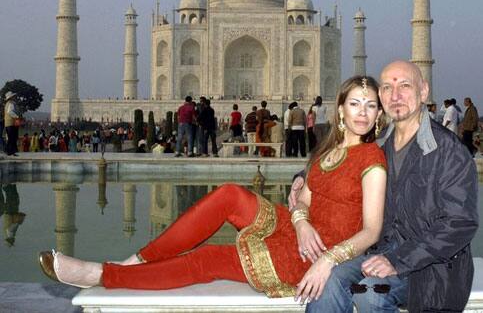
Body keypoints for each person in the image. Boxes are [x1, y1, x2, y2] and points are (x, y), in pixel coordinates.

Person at [39, 76, 387, 299]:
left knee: (207, 260)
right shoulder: (329, 149)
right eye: (355, 103)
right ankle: (137, 260)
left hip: (313, 255)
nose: (363, 112)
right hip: (299, 231)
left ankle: (103, 275)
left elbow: (371, 231)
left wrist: (326, 260)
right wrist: (300, 221)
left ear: (378, 114)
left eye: (371, 105)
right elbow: (305, 200)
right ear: (341, 109)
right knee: (229, 194)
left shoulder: (373, 159)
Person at [305, 60, 478, 312]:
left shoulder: (448, 150)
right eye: (387, 87)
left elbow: (459, 223)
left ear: (423, 91)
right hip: (382, 252)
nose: (395, 96)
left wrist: (398, 260)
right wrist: (304, 176)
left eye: (405, 86)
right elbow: (342, 159)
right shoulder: (380, 145)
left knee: (371, 293)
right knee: (328, 278)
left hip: (430, 266)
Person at [4, 91, 21, 156]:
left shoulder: (7, 103)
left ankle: (10, 151)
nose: (15, 97)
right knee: (12, 137)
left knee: (11, 137)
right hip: (12, 123)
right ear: (11, 97)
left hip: (8, 123)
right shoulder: (11, 103)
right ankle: (10, 151)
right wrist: (17, 116)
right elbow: (10, 112)